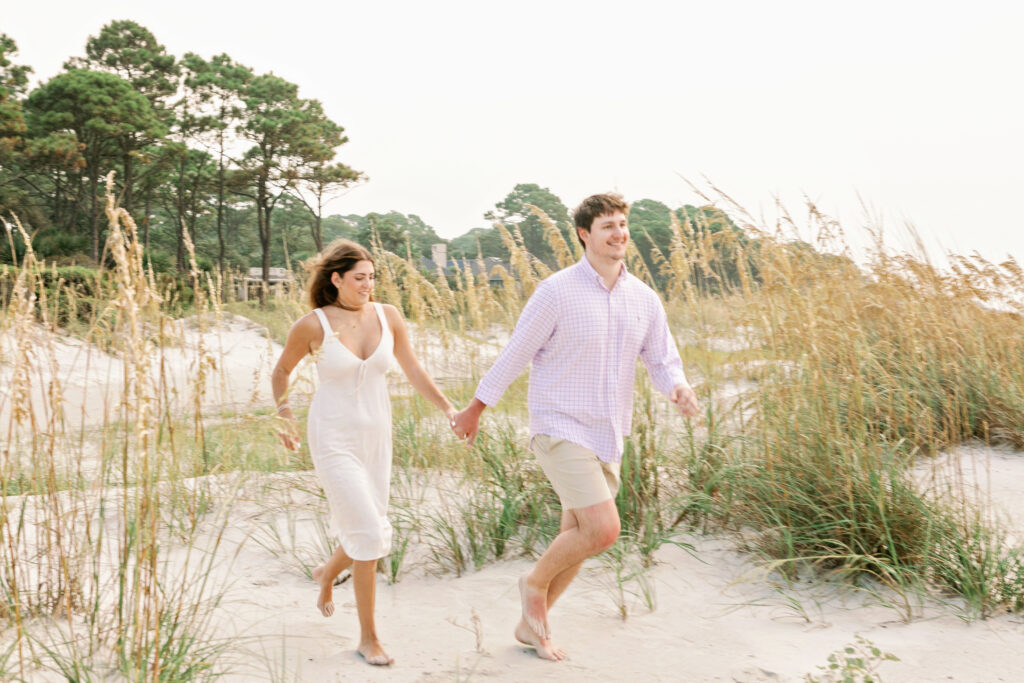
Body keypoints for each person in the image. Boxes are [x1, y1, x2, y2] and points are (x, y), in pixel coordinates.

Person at [451, 193, 699, 661]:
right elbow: (516, 354)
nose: (618, 233)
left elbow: (662, 358)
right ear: (584, 234)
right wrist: (475, 409)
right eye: (607, 225)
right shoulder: (557, 292)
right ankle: (533, 584)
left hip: (607, 432)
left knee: (579, 536)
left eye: (622, 224)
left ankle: (531, 625)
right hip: (558, 424)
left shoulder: (644, 298)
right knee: (603, 530)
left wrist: (679, 388)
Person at [272, 239, 457, 667]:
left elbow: (412, 367)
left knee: (368, 525)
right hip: (332, 436)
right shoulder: (313, 324)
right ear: (336, 279)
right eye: (359, 278)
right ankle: (368, 638)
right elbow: (282, 370)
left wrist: (448, 408)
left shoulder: (388, 317)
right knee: (370, 533)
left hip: (376, 436)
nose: (368, 285)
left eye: (372, 277)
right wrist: (285, 416)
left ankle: (327, 571)